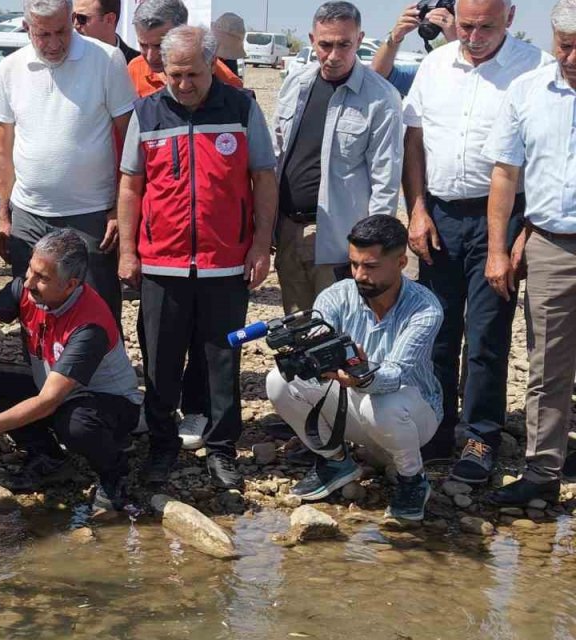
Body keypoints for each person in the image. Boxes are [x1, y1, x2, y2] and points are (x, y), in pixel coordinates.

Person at [116, 25, 276, 490]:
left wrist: (260, 246)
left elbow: (263, 178)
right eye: (175, 75)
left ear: (212, 67)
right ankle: (162, 446)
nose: (184, 84)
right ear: (160, 70)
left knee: (222, 359)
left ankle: (222, 449)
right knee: (161, 362)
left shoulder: (242, 107)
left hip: (226, 263)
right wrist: (128, 249)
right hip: (161, 264)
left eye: (194, 75)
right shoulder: (146, 113)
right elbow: (131, 185)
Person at [402, 0, 546, 483]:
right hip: (439, 214)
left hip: (500, 218)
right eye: (465, 25)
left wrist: (520, 234)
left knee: (487, 332)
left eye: (486, 26)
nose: (474, 35)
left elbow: (547, 155)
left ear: (510, 16)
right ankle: (437, 428)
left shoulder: (536, 69)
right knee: (436, 329)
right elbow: (414, 142)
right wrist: (417, 209)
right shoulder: (435, 65)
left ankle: (480, 434)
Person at [0, 229, 142, 510]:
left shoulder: (89, 325)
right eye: (30, 270)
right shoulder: (22, 289)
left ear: (70, 285)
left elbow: (49, 401)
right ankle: (48, 458)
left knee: (75, 425)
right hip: (53, 388)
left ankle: (115, 473)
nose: (29, 282)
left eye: (42, 278)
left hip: (109, 403)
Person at [268, 215, 443, 522]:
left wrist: (361, 371)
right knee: (279, 381)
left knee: (383, 403)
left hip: (412, 415)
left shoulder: (425, 308)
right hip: (355, 406)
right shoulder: (336, 295)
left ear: (401, 262)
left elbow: (395, 375)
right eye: (354, 264)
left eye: (370, 266)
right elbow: (316, 342)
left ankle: (413, 479)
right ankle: (335, 462)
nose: (359, 275)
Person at [484, 0, 576, 506]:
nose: (572, 56)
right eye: (565, 46)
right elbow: (505, 175)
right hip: (550, 247)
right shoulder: (527, 92)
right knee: (548, 364)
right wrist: (500, 248)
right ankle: (542, 472)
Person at [0, 0, 136, 325]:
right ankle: (42, 377)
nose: (55, 44)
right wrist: (3, 214)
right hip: (28, 215)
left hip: (91, 216)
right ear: (27, 26)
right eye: (43, 34)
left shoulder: (107, 60)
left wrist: (118, 208)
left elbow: (129, 139)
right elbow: (3, 147)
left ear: (72, 19)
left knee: (95, 314)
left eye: (62, 31)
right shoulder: (10, 68)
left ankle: (101, 377)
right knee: (34, 314)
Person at [274, 2, 404, 314]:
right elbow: (277, 155)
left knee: (337, 337)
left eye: (344, 44)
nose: (334, 55)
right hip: (289, 233)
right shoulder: (296, 83)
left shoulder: (381, 98)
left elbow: (385, 181)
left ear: (359, 40)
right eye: (325, 45)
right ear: (311, 39)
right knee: (296, 333)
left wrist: (372, 250)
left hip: (340, 242)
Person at [127, 0, 242, 98]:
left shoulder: (227, 81)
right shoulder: (134, 70)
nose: (150, 56)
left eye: (159, 46)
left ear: (183, 31)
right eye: (143, 46)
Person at [372, 2, 457, 97]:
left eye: (467, 26)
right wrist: (395, 36)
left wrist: (456, 41)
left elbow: (472, 72)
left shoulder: (475, 75)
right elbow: (378, 75)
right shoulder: (429, 71)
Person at [73, 0, 139, 62]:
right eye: (72, 17)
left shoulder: (138, 66)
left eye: (81, 18)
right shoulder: (66, 60)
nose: (75, 25)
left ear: (109, 19)